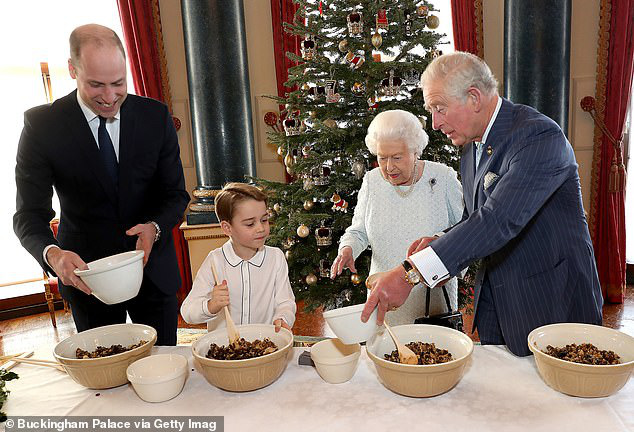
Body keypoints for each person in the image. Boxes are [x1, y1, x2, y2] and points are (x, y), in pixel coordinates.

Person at [361, 51, 603, 356]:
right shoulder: (472, 145)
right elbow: (474, 217)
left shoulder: (538, 137)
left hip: (551, 301)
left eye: (439, 108)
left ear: (474, 98)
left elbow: (497, 220)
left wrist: (411, 273)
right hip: (498, 304)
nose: (434, 123)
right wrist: (441, 239)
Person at [13, 24, 190, 346]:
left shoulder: (155, 117)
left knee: (164, 375)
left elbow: (175, 195)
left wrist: (155, 227)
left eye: (118, 84)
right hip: (86, 279)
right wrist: (53, 255)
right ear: (72, 69)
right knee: (104, 382)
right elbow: (27, 215)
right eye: (96, 85)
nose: (110, 98)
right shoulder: (42, 126)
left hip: (153, 275)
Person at [331, 110, 463, 326]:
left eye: (397, 157)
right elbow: (359, 231)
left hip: (431, 301)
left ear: (415, 151)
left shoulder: (442, 177)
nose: (389, 167)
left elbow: (464, 232)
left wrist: (442, 254)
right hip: (384, 298)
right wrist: (348, 249)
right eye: (382, 158)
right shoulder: (372, 181)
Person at [180, 183, 296, 332]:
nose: (261, 228)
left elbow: (285, 302)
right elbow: (187, 312)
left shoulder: (276, 258)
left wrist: (283, 318)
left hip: (264, 344)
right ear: (227, 228)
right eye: (250, 224)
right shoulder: (214, 261)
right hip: (225, 350)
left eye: (264, 220)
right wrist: (211, 305)